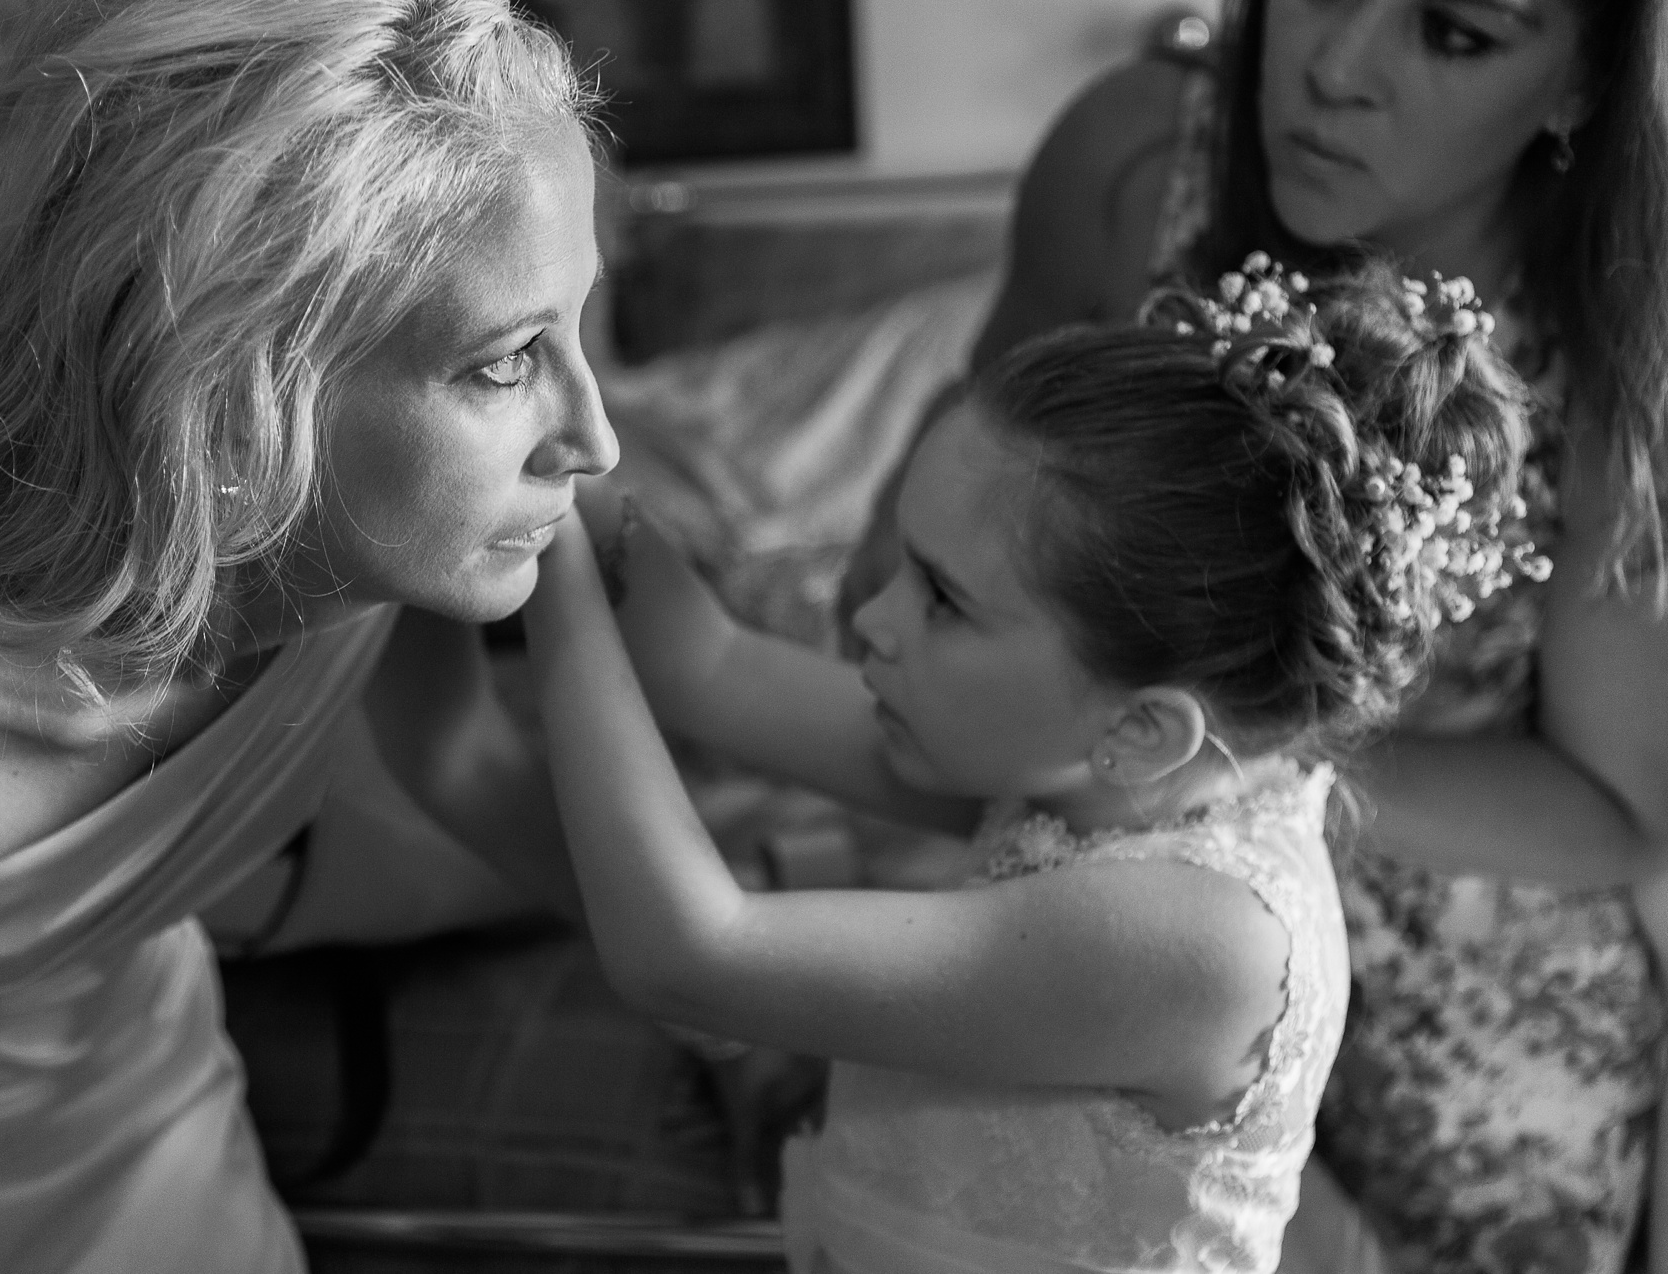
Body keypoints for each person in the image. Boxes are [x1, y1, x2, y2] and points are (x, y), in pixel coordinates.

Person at [0, 0, 618, 1270]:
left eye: (581, 325)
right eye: (511, 359)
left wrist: (717, 989)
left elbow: (462, 758)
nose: (596, 434)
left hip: (179, 1153)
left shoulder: (352, 564)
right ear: (233, 391)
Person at [839, 0, 1668, 1267]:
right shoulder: (1127, 167)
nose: (1335, 70)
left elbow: (1620, 810)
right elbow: (929, 520)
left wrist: (1231, 752)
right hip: (1113, 903)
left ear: (1584, 81)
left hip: (1467, 1027)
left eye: (1455, 34)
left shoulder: (1625, 321)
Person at [520, 259, 1535, 1273]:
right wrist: (553, 459)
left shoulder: (1203, 945)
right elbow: (714, 666)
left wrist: (552, 586)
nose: (870, 620)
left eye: (942, 600)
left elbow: (689, 956)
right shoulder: (1104, 764)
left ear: (1143, 727)